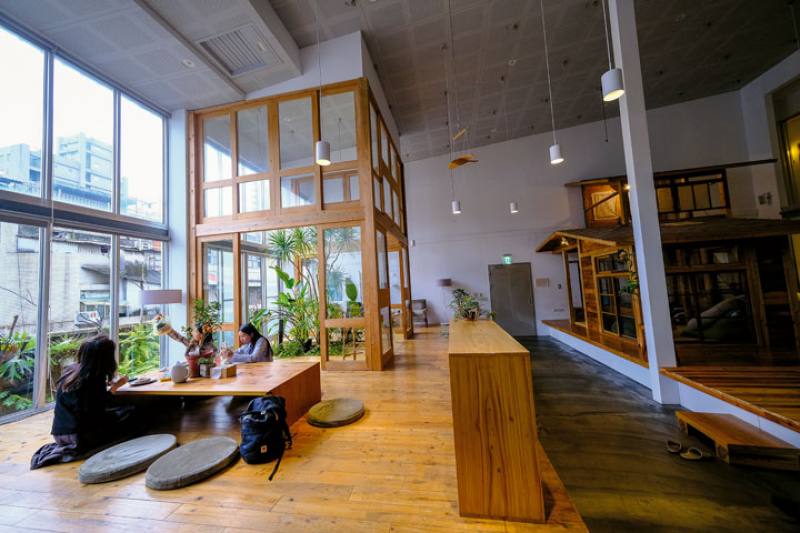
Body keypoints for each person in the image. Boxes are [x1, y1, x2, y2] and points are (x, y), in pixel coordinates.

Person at [31, 335, 138, 469]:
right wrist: (115, 387)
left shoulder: (71, 371)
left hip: (59, 434)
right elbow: (99, 409)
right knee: (130, 412)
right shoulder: (93, 378)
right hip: (79, 436)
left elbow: (84, 402)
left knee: (118, 413)